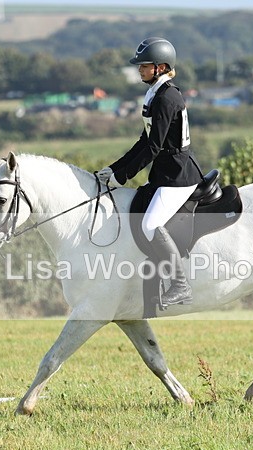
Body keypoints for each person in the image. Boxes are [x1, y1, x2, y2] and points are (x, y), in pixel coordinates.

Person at [96, 37, 202, 307]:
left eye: (144, 66)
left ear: (161, 67)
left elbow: (154, 147)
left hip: (177, 176)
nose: (139, 70)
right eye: (140, 66)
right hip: (165, 173)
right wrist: (115, 168)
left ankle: (180, 285)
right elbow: (144, 141)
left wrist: (123, 178)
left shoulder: (167, 98)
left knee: (150, 223)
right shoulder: (156, 93)